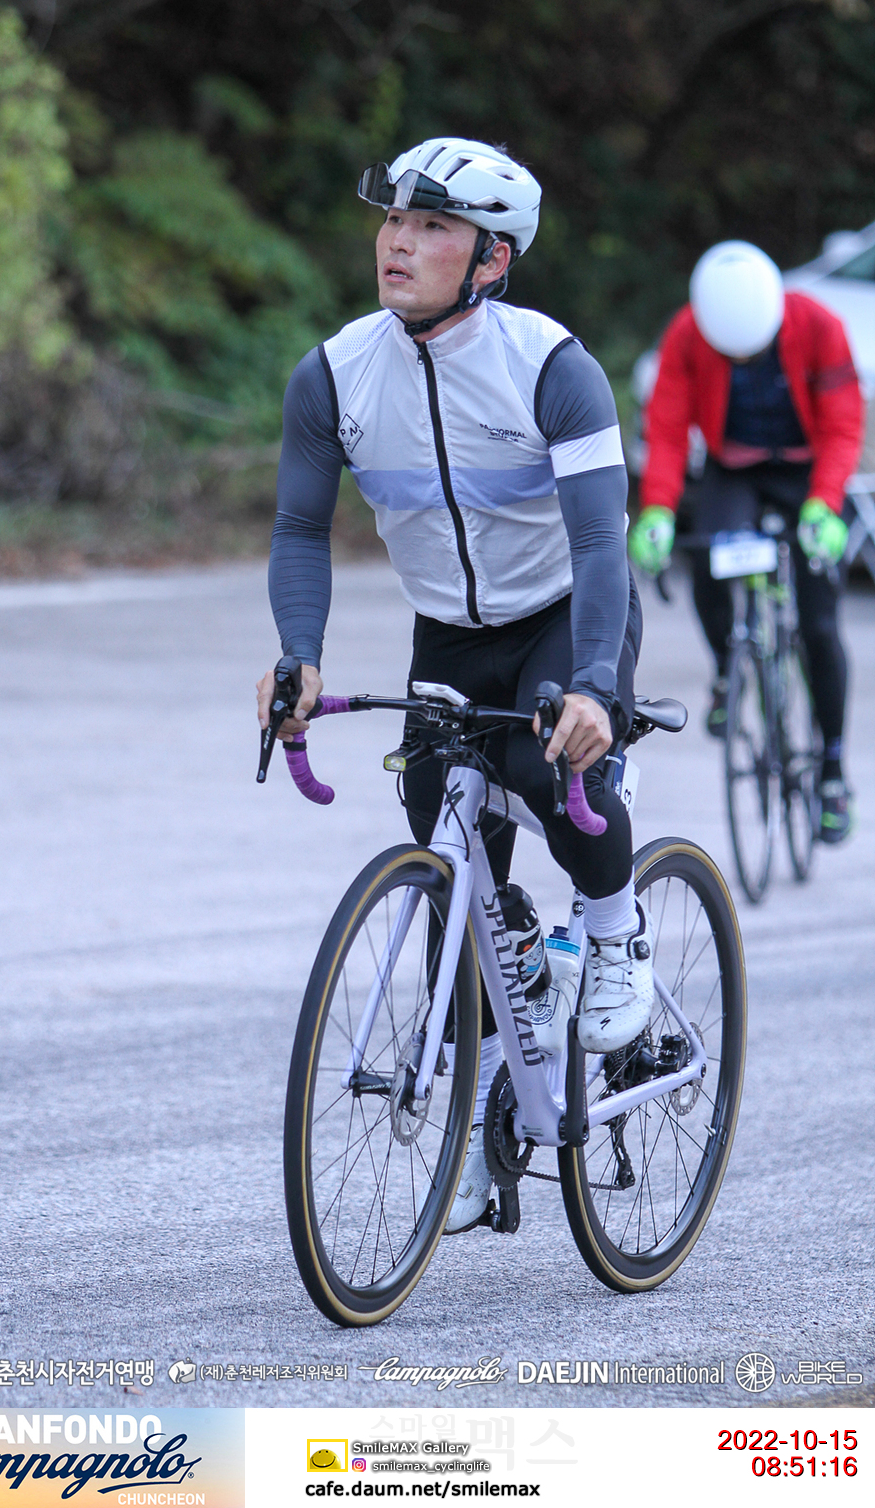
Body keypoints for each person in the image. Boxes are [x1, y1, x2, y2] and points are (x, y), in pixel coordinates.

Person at [257, 138, 645, 1230]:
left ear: (492, 259)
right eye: (393, 220)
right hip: (450, 634)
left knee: (549, 765)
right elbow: (299, 529)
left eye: (432, 226)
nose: (397, 241)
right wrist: (300, 653)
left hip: (564, 611)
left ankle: (615, 935)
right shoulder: (334, 374)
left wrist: (595, 687)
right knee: (446, 846)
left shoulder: (551, 368)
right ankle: (485, 1094)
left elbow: (601, 543)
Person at [629, 240, 863, 843]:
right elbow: (668, 430)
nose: (740, 358)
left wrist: (826, 502)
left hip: (805, 469)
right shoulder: (688, 333)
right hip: (734, 468)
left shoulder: (820, 326)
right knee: (707, 556)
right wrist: (657, 510)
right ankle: (726, 669)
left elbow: (843, 424)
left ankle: (833, 768)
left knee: (820, 625)